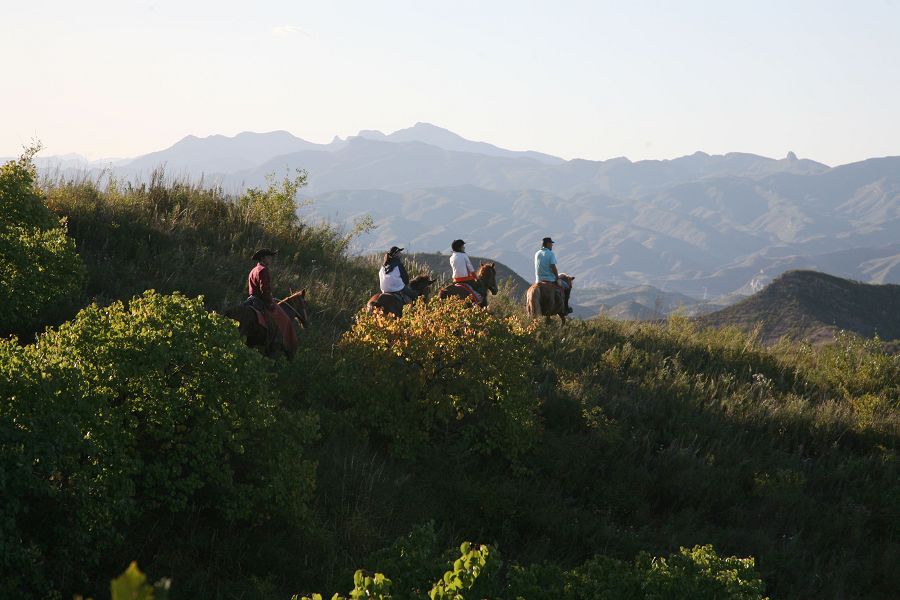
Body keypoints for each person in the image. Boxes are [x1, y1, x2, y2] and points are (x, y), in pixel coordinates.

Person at [247, 248, 297, 351]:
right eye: (269, 257)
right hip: (261, 300)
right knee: (284, 319)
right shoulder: (263, 270)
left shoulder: (253, 270)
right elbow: (264, 290)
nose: (271, 260)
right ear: (263, 258)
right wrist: (269, 302)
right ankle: (276, 341)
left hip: (251, 299)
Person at [534, 237, 572, 314]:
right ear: (548, 244)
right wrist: (557, 277)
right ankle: (565, 308)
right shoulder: (550, 254)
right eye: (551, 244)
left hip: (538, 279)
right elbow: (553, 267)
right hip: (550, 279)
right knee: (567, 287)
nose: (552, 246)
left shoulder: (537, 253)